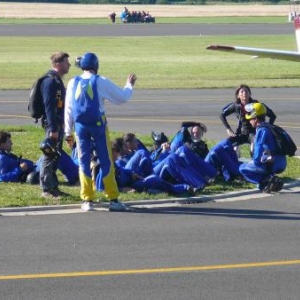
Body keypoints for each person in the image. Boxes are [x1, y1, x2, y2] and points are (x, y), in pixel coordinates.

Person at [64, 52, 137, 212]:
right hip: (98, 126)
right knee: (106, 161)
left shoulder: (72, 82)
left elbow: (68, 109)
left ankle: (87, 199)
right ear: (96, 66)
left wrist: (67, 132)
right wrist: (129, 85)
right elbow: (122, 97)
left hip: (80, 127)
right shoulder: (100, 81)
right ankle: (113, 198)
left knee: (83, 162)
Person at [39, 51, 71, 199]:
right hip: (52, 125)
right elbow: (49, 107)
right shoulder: (50, 81)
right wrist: (52, 128)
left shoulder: (57, 80)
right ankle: (46, 188)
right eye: (66, 62)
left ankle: (53, 187)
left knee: (55, 156)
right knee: (49, 155)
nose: (69, 64)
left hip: (58, 124)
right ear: (58, 64)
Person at [239, 103, 286, 193]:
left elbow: (258, 150)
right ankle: (270, 180)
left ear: (256, 119)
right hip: (281, 162)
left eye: (251, 119)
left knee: (242, 168)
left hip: (273, 163)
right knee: (263, 162)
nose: (249, 121)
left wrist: (255, 161)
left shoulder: (261, 130)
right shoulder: (269, 127)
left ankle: (267, 182)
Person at [220, 84, 277, 153]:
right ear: (238, 95)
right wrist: (228, 129)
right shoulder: (236, 106)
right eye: (242, 92)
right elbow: (222, 115)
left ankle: (256, 162)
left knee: (254, 149)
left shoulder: (256, 105)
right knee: (229, 146)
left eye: (246, 91)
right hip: (241, 133)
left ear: (249, 94)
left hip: (254, 132)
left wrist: (268, 128)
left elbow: (272, 116)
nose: (244, 93)